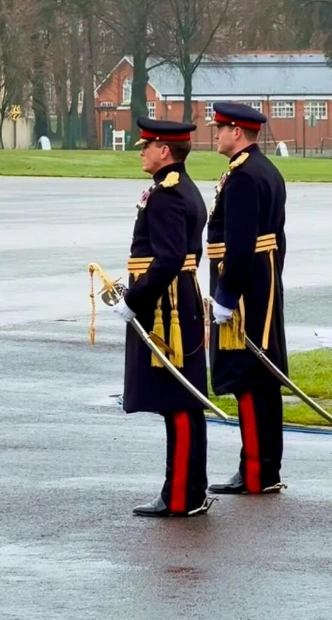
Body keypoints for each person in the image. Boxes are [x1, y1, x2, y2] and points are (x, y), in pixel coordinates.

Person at [112, 118, 211, 517]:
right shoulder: (182, 188)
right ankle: (186, 489)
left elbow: (169, 257)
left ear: (164, 151)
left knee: (178, 401)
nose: (142, 152)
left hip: (166, 307)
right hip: (177, 298)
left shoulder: (168, 195)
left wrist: (135, 298)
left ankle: (182, 494)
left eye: (147, 146)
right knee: (180, 401)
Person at [206, 102, 288, 495]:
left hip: (243, 290)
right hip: (262, 282)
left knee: (249, 378)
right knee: (263, 380)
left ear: (237, 132)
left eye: (220, 129)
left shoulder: (243, 176)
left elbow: (238, 245)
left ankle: (256, 472)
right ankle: (265, 467)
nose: (215, 134)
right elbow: (277, 241)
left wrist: (225, 297)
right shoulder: (266, 170)